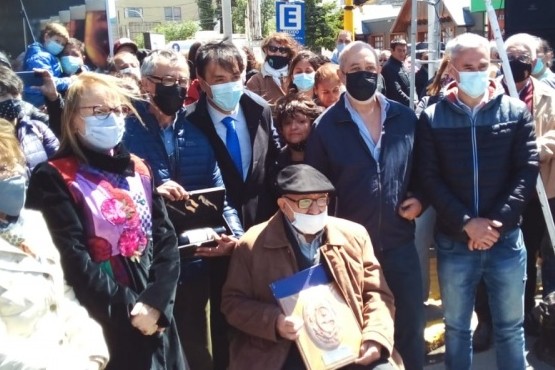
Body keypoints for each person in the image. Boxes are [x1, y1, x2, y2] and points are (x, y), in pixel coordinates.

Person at [26, 72, 187, 370]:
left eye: (117, 110)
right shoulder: (55, 177)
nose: (111, 118)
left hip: (157, 318)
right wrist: (131, 310)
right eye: (98, 111)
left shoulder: (138, 168)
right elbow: (70, 259)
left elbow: (165, 241)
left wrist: (157, 302)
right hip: (104, 323)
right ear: (73, 118)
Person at [416, 33, 538, 370]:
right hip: (456, 242)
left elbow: (526, 171)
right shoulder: (432, 117)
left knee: (512, 329)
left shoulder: (515, 112)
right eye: (467, 66)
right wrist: (467, 222)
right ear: (452, 70)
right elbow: (429, 177)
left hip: (506, 240)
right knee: (456, 328)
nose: (476, 72)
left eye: (482, 65)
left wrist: (495, 222)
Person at [305, 41, 425, 370]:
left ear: (380, 72)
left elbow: (423, 169)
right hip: (351, 253)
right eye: (355, 71)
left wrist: (421, 198)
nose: (364, 76)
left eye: (370, 70)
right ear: (342, 75)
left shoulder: (403, 117)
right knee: (363, 334)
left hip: (400, 242)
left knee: (411, 327)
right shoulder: (326, 127)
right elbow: (317, 189)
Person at [123, 48, 243, 370]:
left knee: (195, 349)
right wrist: (149, 192)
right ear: (147, 84)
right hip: (145, 267)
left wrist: (237, 239)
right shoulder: (123, 131)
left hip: (193, 267)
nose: (176, 88)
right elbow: (108, 195)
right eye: (168, 80)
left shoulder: (195, 134)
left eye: (182, 81)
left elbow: (223, 198)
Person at [221, 164, 402, 370]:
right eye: (305, 202)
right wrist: (275, 322)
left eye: (322, 200)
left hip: (348, 339)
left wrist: (375, 336)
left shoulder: (353, 235)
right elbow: (232, 303)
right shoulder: (252, 244)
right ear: (283, 205)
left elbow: (377, 294)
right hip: (283, 348)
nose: (315, 210)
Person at [0, 118, 109, 370]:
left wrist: (92, 353)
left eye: (16, 162)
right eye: (3, 168)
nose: (15, 174)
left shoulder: (32, 223)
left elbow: (63, 296)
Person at [188, 40, 281, 229]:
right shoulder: (189, 122)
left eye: (235, 77)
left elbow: (273, 161)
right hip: (217, 231)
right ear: (201, 80)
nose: (230, 85)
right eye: (220, 80)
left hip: (262, 227)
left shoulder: (259, 109)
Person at [500, 32, 555, 335]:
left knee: (543, 251)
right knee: (515, 258)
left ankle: (545, 314)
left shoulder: (549, 93)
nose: (517, 62)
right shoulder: (491, 91)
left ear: (533, 62)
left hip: (543, 190)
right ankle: (517, 316)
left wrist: (531, 148)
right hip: (503, 192)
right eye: (512, 55)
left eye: (523, 56)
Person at [0, 66, 59, 172]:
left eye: (14, 93)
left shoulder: (37, 128)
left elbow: (63, 133)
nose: (11, 99)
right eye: (2, 94)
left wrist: (53, 98)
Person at [22, 22, 71, 107]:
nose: (59, 46)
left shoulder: (48, 55)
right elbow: (48, 82)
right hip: (40, 103)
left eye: (62, 44)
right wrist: (70, 81)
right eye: (57, 41)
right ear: (46, 37)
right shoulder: (41, 57)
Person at [246, 32, 299, 108]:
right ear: (265, 50)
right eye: (273, 49)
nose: (277, 53)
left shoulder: (296, 77)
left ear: (289, 53)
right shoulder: (256, 80)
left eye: (283, 50)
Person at [274, 93, 323, 169]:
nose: (293, 127)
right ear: (281, 128)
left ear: (312, 123)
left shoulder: (326, 159)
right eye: (287, 123)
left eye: (301, 121)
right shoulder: (275, 163)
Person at [381, 39, 414, 107]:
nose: (402, 53)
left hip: (406, 105)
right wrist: (411, 103)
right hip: (397, 107)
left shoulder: (401, 64)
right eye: (399, 50)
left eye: (404, 50)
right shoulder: (388, 67)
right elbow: (396, 91)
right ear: (392, 51)